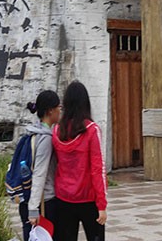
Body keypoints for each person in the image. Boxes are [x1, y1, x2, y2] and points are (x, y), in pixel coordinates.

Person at [52, 81, 107, 241]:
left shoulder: (56, 131)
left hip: (63, 198)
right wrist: (102, 205)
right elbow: (98, 169)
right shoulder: (92, 130)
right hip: (88, 199)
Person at [19, 90, 61, 241]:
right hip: (44, 203)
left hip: (27, 199)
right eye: (58, 107)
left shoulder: (31, 132)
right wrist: (33, 209)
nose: (60, 110)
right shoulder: (45, 138)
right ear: (50, 111)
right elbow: (39, 173)